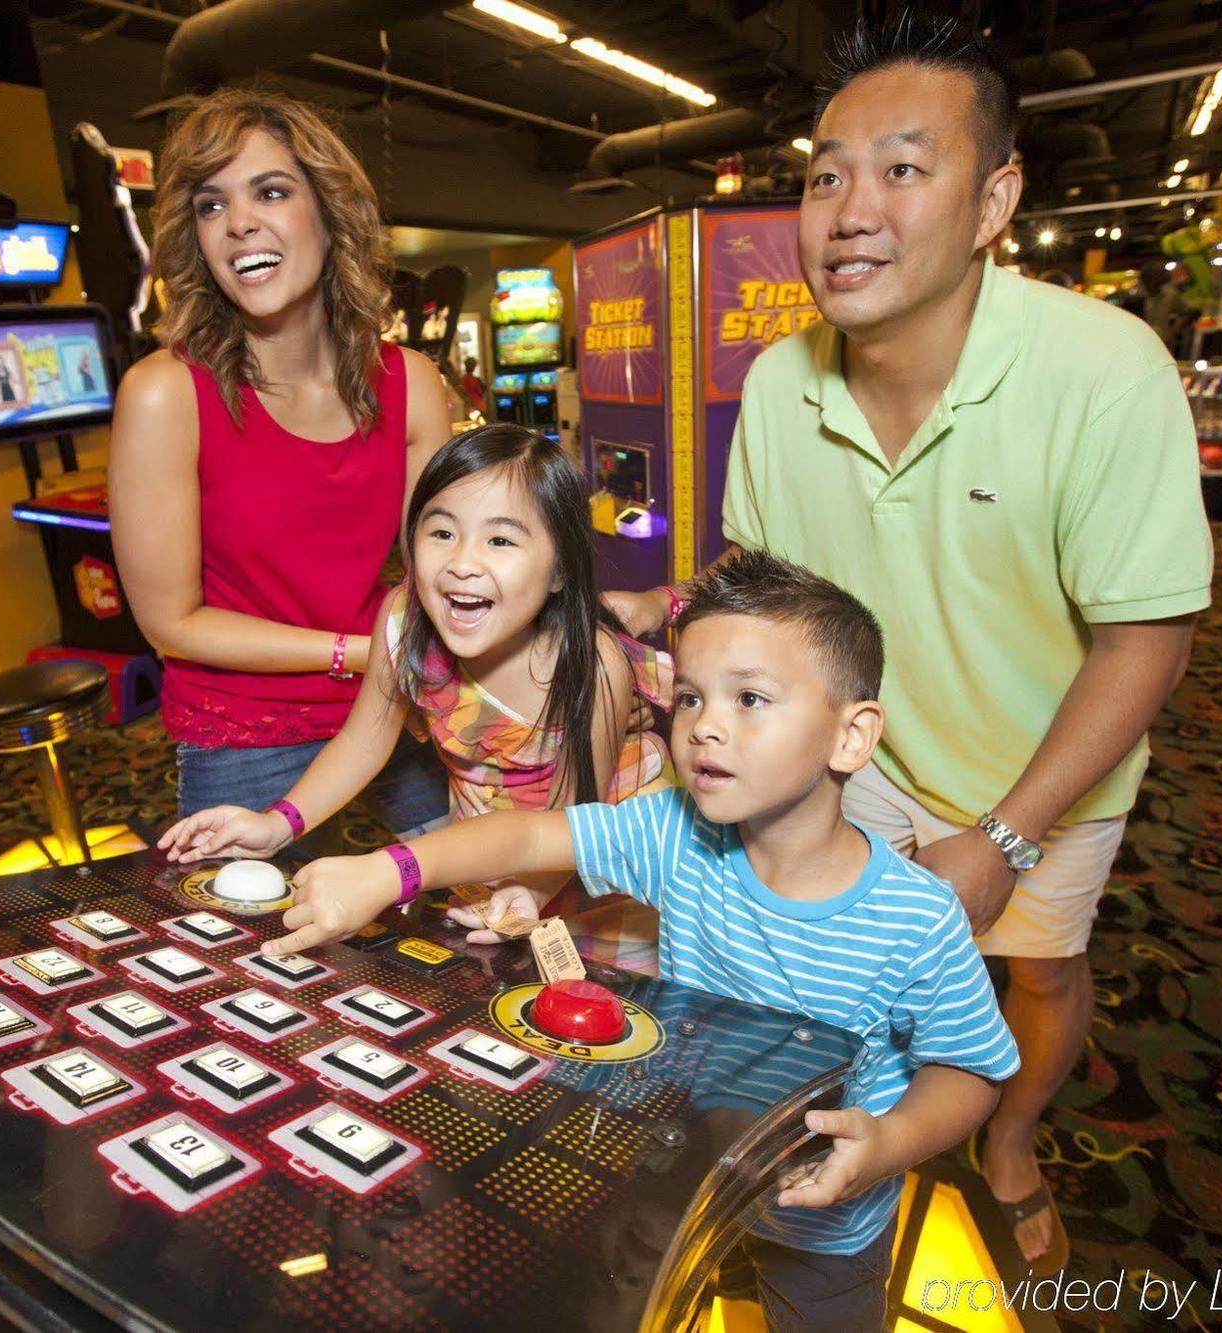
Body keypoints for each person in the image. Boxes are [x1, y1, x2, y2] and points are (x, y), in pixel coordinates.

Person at [604, 13, 1211, 1272]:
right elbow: (762, 590)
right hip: (855, 746)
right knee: (805, 958)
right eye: (825, 173)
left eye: (900, 167)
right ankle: (836, 1141)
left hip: (1047, 750)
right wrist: (656, 626)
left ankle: (1010, 1138)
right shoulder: (779, 380)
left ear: (994, 200)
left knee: (1033, 978)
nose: (848, 208)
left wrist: (1000, 838)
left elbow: (1144, 639)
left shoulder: (1105, 369)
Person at [276, 550, 1020, 1330]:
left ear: (850, 735)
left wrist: (890, 1142)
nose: (705, 727)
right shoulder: (675, 833)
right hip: (679, 1166)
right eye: (692, 696)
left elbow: (972, 1071)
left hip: (822, 1217)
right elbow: (531, 837)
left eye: (751, 698)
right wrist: (391, 872)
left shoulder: (918, 917)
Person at [160, 423, 671, 971]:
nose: (463, 562)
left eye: (500, 540)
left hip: (606, 868)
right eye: (442, 532)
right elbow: (362, 743)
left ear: (560, 571)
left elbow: (574, 822)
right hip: (484, 856)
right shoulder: (404, 620)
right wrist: (278, 821)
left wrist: (536, 890)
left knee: (608, 1011)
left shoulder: (590, 663)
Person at [109, 89, 451, 835]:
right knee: (262, 953)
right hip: (245, 736)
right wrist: (363, 653)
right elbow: (172, 621)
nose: (238, 224)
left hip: (391, 710)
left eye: (271, 191)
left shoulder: (413, 385)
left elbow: (446, 570)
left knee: (469, 935)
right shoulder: (165, 393)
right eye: (209, 205)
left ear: (330, 215)